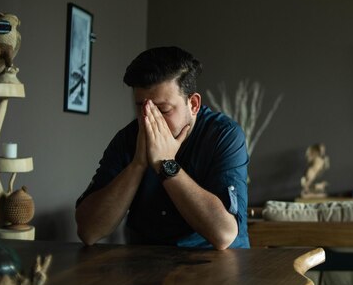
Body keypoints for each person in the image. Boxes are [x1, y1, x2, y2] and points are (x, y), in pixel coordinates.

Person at [75, 46, 249, 249]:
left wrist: (166, 164)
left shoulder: (223, 135)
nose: (149, 118)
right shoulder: (128, 138)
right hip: (146, 263)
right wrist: (138, 164)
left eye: (163, 110)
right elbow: (89, 232)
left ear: (193, 104)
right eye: (141, 107)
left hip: (216, 263)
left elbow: (224, 234)